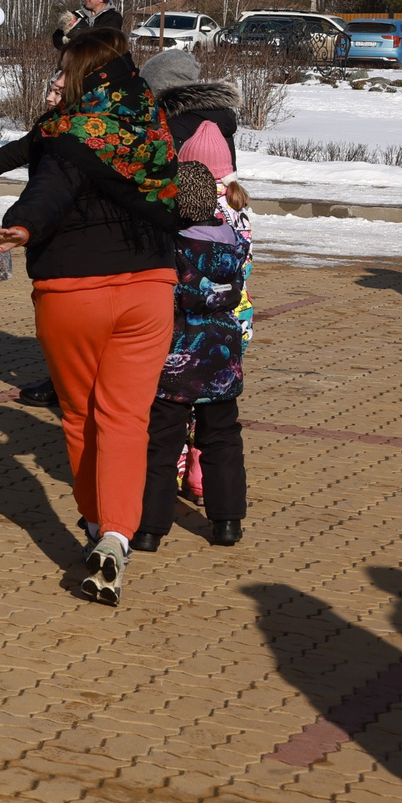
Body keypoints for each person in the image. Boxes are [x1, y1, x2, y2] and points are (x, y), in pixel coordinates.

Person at [0, 29, 181, 604]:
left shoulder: (71, 135)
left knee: (79, 416)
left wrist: (22, 227)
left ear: (87, 80)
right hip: (149, 289)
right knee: (125, 419)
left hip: (74, 291)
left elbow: (49, 190)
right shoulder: (151, 131)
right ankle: (118, 533)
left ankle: (94, 525)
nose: (57, 82)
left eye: (65, 72)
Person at [137, 48, 250, 550]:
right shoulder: (236, 242)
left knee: (161, 442)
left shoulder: (173, 246)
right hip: (224, 351)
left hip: (177, 354)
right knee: (223, 437)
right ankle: (227, 522)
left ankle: (149, 528)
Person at [52, 0, 124, 51]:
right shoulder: (77, 14)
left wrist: (79, 32)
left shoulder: (113, 17)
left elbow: (106, 39)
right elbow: (56, 37)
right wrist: (68, 44)